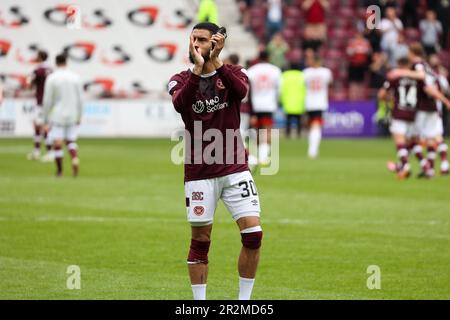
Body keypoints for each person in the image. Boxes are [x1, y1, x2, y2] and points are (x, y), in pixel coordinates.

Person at [168, 22, 263, 300]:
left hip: (235, 168)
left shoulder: (234, 73)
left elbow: (241, 92)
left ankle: (243, 302)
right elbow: (180, 104)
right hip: (200, 172)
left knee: (253, 235)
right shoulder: (179, 79)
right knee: (201, 241)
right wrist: (199, 70)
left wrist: (217, 63)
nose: (196, 45)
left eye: (202, 40)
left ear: (216, 43)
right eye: (193, 39)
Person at [378, 57, 423, 179]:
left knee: (400, 142)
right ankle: (425, 166)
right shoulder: (417, 78)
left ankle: (405, 166)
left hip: (399, 112)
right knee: (412, 142)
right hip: (414, 113)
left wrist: (390, 99)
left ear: (398, 64)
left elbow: (381, 94)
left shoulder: (395, 76)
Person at [43, 53, 83, 177]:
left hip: (58, 114)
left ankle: (60, 171)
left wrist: (45, 118)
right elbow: (80, 99)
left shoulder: (52, 78)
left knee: (58, 143)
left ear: (56, 63)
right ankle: (74, 158)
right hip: (72, 113)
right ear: (67, 62)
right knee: (71, 140)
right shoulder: (75, 77)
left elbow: (47, 100)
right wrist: (79, 115)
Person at [247, 50, 281, 165]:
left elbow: (248, 89)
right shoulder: (275, 70)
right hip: (268, 105)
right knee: (267, 130)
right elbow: (279, 89)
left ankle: (255, 156)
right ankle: (263, 157)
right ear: (268, 58)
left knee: (255, 131)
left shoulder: (251, 71)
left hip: (254, 105)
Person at [303, 54, 332, 159]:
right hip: (320, 102)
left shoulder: (306, 72)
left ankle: (312, 150)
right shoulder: (326, 72)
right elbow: (330, 82)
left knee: (311, 126)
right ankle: (313, 151)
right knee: (316, 126)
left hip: (309, 102)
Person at [27, 50, 53, 161]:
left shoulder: (38, 70)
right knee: (40, 125)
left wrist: (30, 83)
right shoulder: (51, 70)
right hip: (50, 102)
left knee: (42, 126)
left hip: (40, 102)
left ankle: (49, 152)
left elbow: (29, 83)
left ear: (40, 57)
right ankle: (37, 151)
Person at [280, 62, 306, 138]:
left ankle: (287, 134)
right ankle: (298, 134)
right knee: (299, 120)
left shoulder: (285, 75)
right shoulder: (302, 75)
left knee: (288, 119)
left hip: (288, 100)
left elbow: (281, 88)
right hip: (299, 101)